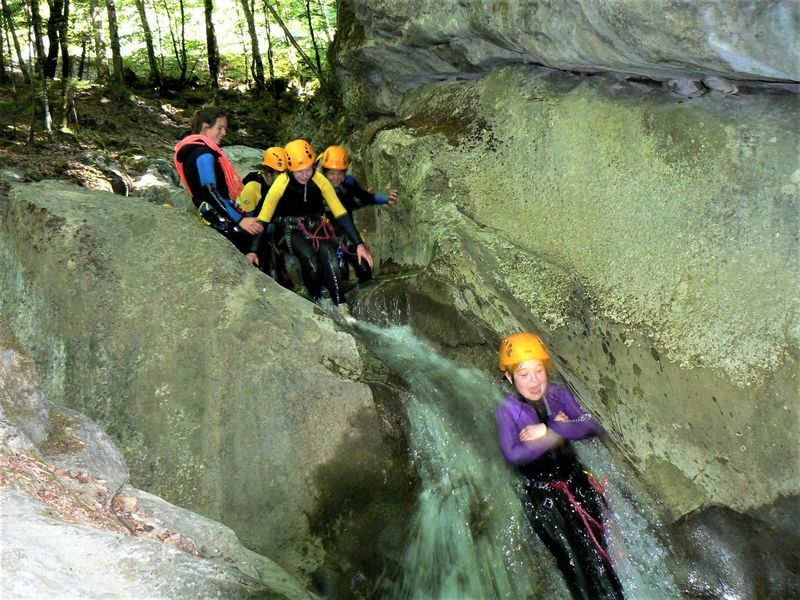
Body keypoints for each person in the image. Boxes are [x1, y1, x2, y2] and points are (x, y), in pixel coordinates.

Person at [495, 332, 624, 600]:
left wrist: (550, 430)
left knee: (599, 554)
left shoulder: (559, 395)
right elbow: (513, 454)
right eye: (524, 374)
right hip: (544, 498)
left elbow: (591, 424)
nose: (534, 381)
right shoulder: (507, 411)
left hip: (577, 485)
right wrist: (562, 429)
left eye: (538, 371)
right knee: (573, 565)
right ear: (509, 378)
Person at [251, 139, 374, 312]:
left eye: (308, 169)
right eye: (298, 171)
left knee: (329, 253)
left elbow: (340, 213)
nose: (304, 175)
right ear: (289, 169)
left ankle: (341, 305)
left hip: (315, 226)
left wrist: (359, 244)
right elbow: (262, 219)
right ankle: (318, 301)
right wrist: (253, 251)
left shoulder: (319, 180)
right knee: (311, 261)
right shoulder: (281, 183)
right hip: (290, 230)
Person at [173, 106, 263, 258]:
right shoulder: (204, 154)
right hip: (217, 217)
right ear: (205, 127)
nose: (224, 133)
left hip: (209, 213)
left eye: (225, 129)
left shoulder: (193, 149)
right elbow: (210, 192)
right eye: (220, 128)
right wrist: (241, 220)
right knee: (260, 237)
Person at [318, 145, 397, 283]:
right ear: (325, 174)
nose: (335, 178)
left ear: (344, 173)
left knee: (364, 269)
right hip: (324, 237)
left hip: (346, 234)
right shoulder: (317, 189)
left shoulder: (348, 184)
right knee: (338, 274)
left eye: (339, 173)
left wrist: (386, 199)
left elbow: (364, 198)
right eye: (331, 173)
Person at [237, 147, 293, 288]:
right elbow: (251, 224)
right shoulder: (252, 188)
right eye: (279, 174)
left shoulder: (282, 186)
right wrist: (253, 250)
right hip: (252, 232)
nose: (284, 179)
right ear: (268, 173)